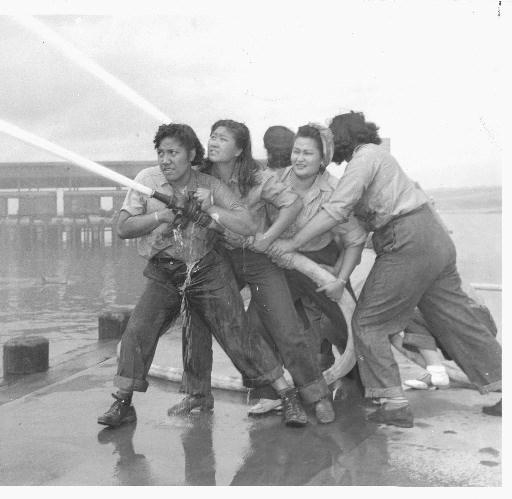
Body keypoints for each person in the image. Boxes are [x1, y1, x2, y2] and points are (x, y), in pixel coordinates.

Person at [268, 111, 502, 427]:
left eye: (329, 142)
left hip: (406, 240)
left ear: (341, 140)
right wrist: (339, 267)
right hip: (433, 237)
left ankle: (394, 403)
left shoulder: (363, 160)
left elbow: (336, 210)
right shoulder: (380, 158)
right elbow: (360, 227)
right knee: (456, 318)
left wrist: (293, 243)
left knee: (368, 322)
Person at [97, 123, 286, 429]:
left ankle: (286, 395)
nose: (165, 160)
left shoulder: (211, 185)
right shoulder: (147, 180)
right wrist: (162, 215)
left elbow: (247, 223)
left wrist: (211, 209)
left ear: (192, 155)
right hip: (164, 271)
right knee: (138, 330)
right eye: (161, 153)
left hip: (206, 267)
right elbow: (122, 228)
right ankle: (123, 403)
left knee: (236, 331)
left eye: (173, 153)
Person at [172, 119, 335, 425]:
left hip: (256, 259)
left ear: (239, 149)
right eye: (212, 137)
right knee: (194, 315)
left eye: (222, 138)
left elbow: (293, 204)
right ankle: (198, 393)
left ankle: (317, 396)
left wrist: (268, 238)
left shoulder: (258, 177)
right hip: (218, 256)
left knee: (285, 326)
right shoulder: (201, 176)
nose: (213, 142)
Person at [248, 123, 367, 415]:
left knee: (352, 328)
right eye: (296, 151)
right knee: (255, 322)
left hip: (322, 261)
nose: (300, 158)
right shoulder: (273, 180)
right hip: (279, 263)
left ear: (323, 158)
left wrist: (340, 279)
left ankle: (367, 382)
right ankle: (271, 393)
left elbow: (355, 239)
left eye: (308, 153)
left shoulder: (337, 189)